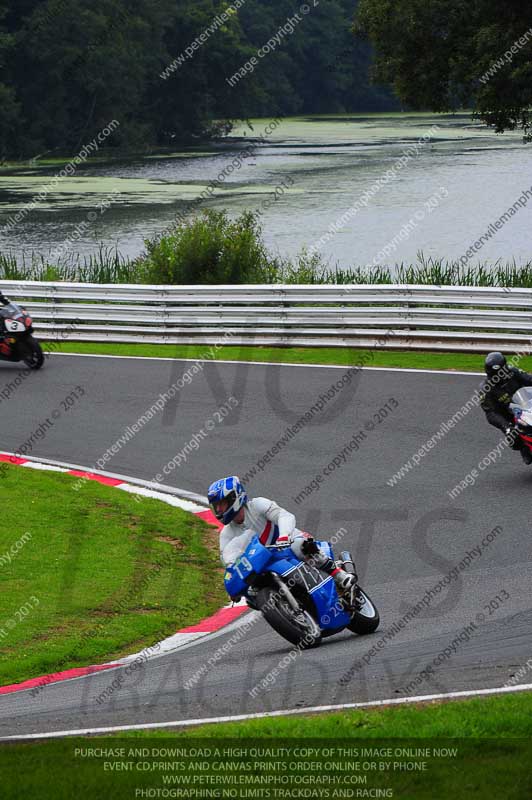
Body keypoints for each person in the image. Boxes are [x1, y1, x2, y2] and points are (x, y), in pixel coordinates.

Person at [208, 476, 358, 606]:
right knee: (250, 594)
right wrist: (234, 586)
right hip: (263, 565)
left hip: (287, 545)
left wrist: (284, 535)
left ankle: (338, 575)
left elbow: (285, 516)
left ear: (234, 498)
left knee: (299, 546)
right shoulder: (226, 535)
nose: (219, 510)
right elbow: (229, 563)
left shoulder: (258, 505)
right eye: (216, 506)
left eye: (222, 504)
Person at [480, 352, 532, 463]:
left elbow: (529, 379)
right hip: (509, 416)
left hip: (527, 404)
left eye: (500, 373)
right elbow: (490, 413)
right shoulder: (486, 389)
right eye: (495, 374)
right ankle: (525, 449)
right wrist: (506, 427)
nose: (499, 376)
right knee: (514, 438)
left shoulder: (513, 372)